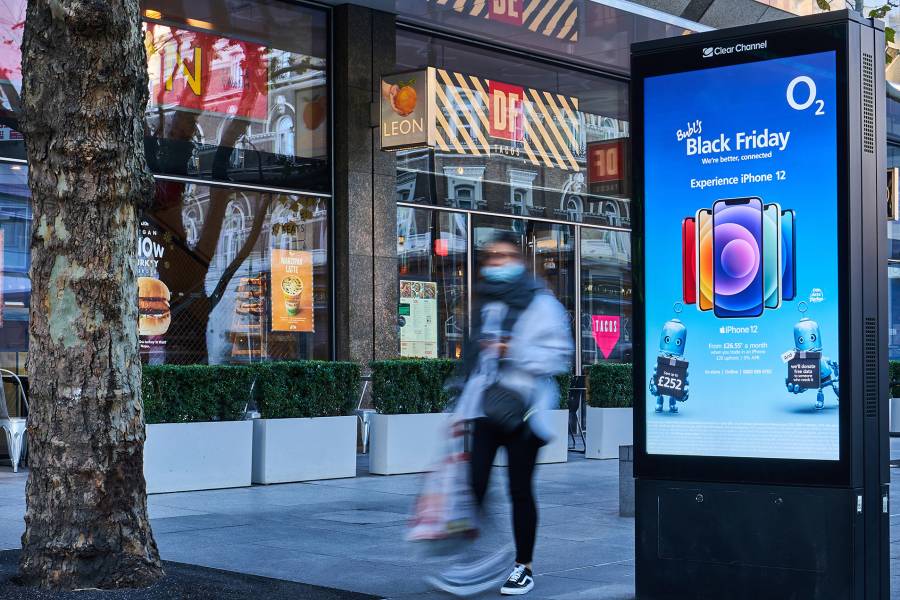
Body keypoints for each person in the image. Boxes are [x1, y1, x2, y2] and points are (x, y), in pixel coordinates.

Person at [451, 231, 573, 596]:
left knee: (519, 489)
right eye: (492, 257)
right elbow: (475, 361)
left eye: (505, 256)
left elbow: (558, 355)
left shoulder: (540, 303)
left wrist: (512, 349)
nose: (498, 264)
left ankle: (524, 566)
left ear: (519, 261)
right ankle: (481, 558)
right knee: (474, 484)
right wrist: (459, 407)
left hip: (525, 409)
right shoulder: (485, 303)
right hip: (486, 408)